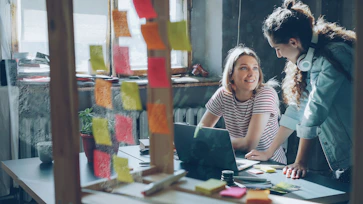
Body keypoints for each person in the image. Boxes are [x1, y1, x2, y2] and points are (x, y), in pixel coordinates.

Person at [245, 0, 355, 183]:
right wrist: (268, 152)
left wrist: (300, 162)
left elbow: (315, 110)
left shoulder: (336, 55)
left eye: (278, 49)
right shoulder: (312, 59)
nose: (278, 55)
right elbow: (299, 108)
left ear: (293, 42)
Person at [198, 45, 287, 164]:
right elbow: (201, 132)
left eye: (255, 68)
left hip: (270, 164)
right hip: (240, 160)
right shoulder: (223, 94)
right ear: (231, 74)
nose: (251, 73)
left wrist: (215, 140)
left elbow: (249, 144)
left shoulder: (266, 94)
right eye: (244, 68)